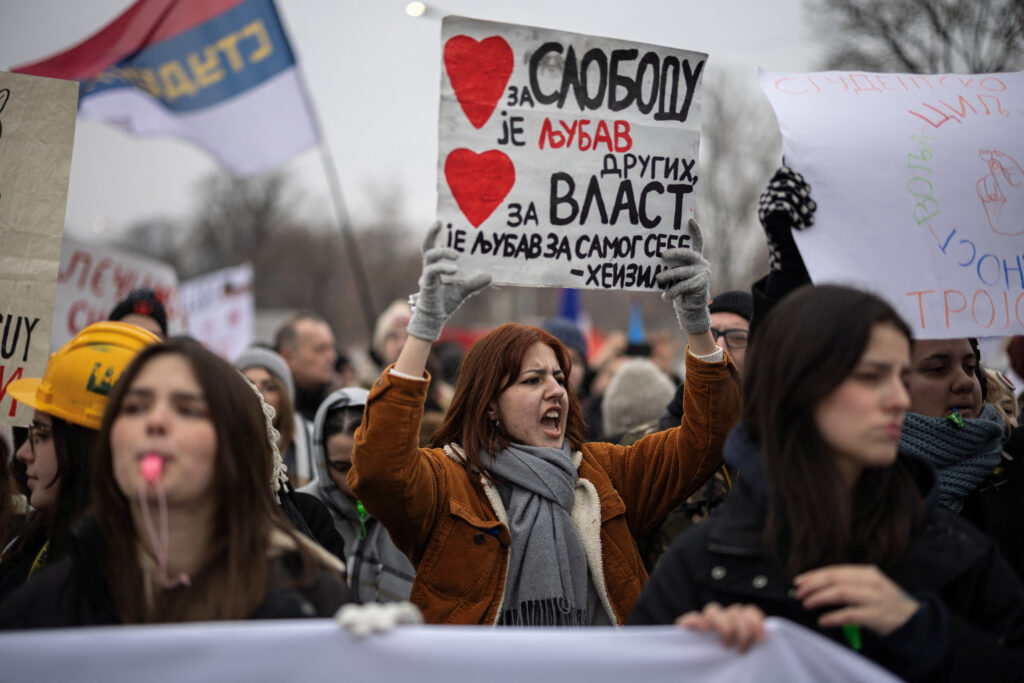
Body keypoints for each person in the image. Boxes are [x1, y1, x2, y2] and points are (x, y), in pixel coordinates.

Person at [349, 220, 742, 626]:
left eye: (558, 377)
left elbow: (709, 438)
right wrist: (423, 329)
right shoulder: (448, 481)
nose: (556, 390)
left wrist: (698, 325)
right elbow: (380, 472)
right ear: (488, 406)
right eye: (532, 380)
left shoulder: (605, 474)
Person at [630, 285, 1024, 680]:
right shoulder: (702, 565)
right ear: (799, 388)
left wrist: (925, 632)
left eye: (902, 377)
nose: (898, 399)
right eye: (872, 377)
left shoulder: (956, 550)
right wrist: (696, 661)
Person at [752, 165, 1024, 580]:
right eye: (936, 368)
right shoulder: (846, 478)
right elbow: (778, 400)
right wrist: (789, 274)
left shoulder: (1014, 462)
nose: (965, 381)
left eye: (970, 365)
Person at [0, 338, 350, 627]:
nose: (155, 422)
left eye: (187, 409)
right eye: (135, 407)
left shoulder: (309, 603)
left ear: (234, 445)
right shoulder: (43, 605)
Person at [0, 322, 159, 602]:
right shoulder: (30, 543)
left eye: (42, 435)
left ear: (93, 452)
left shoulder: (115, 594)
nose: (23, 453)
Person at [301, 388, 415, 603]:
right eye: (340, 467)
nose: (352, 482)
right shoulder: (301, 513)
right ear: (321, 460)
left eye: (361, 466)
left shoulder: (412, 509)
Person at [234, 346, 314, 487]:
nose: (258, 395)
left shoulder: (313, 439)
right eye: (248, 386)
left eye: (270, 387)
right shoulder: (219, 444)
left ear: (285, 397)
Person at [275, 312, 337, 422]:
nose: (332, 357)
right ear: (288, 357)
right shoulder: (273, 414)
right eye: (320, 349)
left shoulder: (339, 406)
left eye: (331, 348)